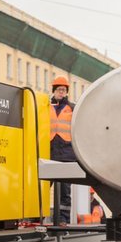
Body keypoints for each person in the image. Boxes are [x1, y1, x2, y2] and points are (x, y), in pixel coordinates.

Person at [50, 76, 76, 223]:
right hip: (50, 153)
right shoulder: (45, 107)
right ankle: (35, 217)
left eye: (64, 90)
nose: (61, 92)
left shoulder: (72, 108)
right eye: (59, 90)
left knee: (65, 191)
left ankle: (63, 219)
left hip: (66, 154)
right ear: (54, 91)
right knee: (42, 187)